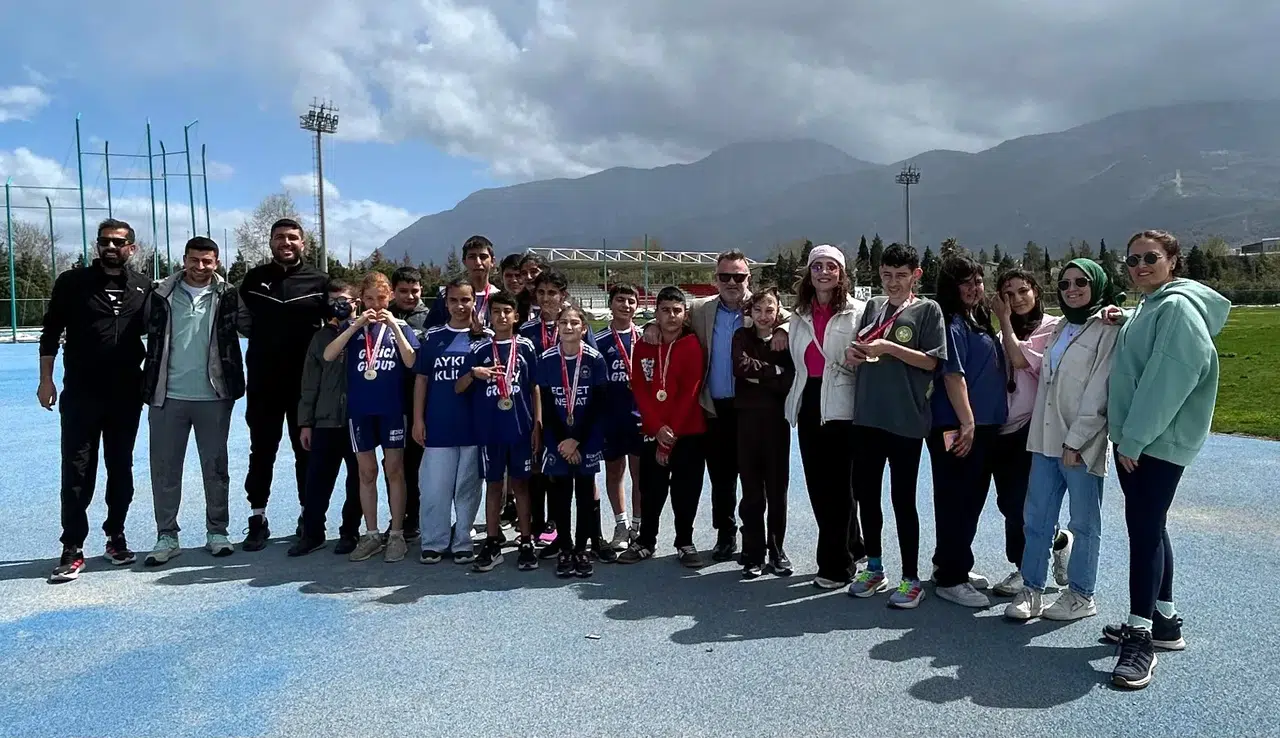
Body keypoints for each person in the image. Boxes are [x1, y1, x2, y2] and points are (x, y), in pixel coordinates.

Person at [1103, 230, 1229, 690]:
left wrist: (1133, 440)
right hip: (1143, 441)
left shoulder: (1176, 308)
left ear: (1172, 260)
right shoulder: (1154, 305)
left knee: (1143, 533)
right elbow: (1147, 345)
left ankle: (1140, 637)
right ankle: (1165, 621)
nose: (1139, 266)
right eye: (1132, 259)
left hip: (1152, 443)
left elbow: (1166, 380)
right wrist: (1124, 317)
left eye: (1150, 258)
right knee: (1152, 527)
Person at [1005, 258, 1121, 622]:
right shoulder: (1060, 328)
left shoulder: (1108, 329)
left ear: (1097, 285)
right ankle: (1032, 589)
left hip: (1081, 444)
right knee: (1036, 519)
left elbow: (1101, 390)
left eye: (1081, 282)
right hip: (1045, 439)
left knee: (1084, 523)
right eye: (1065, 284)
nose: (1072, 290)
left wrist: (1078, 440)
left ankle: (1082, 594)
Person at [41, 219, 150, 582]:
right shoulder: (72, 282)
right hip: (81, 393)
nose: (111, 247)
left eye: (118, 242)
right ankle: (72, 546)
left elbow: (159, 335)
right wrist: (46, 380)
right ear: (98, 245)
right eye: (105, 241)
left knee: (121, 468)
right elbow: (50, 332)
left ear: (131, 247)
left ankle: (115, 536)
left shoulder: (143, 287)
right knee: (77, 469)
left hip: (126, 394)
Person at [843, 244, 946, 608]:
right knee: (867, 496)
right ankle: (874, 568)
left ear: (916, 275)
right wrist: (855, 353)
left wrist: (888, 347)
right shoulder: (873, 306)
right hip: (868, 417)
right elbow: (862, 346)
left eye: (901, 276)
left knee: (903, 500)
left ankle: (910, 578)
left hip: (905, 420)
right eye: (887, 275)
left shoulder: (928, 310)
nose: (893, 282)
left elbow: (932, 362)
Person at [139, 236, 245, 566]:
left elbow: (258, 328)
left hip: (214, 396)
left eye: (207, 261)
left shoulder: (229, 295)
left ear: (217, 263)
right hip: (166, 395)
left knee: (216, 468)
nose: (200, 266)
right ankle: (167, 536)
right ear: (184, 259)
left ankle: (218, 532)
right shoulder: (160, 294)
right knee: (165, 470)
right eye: (194, 260)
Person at [236, 218, 329, 550]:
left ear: (303, 243)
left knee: (306, 452)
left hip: (305, 386)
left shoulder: (320, 281)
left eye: (292, 237)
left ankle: (309, 517)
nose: (285, 242)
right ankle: (257, 518)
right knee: (262, 451)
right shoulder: (253, 280)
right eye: (279, 237)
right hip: (264, 384)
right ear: (271, 242)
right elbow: (243, 323)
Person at [783, 245, 866, 590]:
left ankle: (836, 565)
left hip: (844, 403)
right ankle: (853, 545)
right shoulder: (797, 314)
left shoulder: (858, 312)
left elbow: (872, 351)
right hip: (809, 401)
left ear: (842, 273)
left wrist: (861, 357)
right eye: (817, 266)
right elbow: (762, 319)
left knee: (840, 486)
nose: (824, 272)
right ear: (809, 272)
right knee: (819, 484)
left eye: (832, 266)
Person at [927, 254, 1008, 608]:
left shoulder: (977, 320)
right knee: (957, 499)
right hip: (958, 426)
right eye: (966, 282)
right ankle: (951, 578)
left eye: (978, 281)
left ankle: (950, 561)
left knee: (970, 499)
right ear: (951, 287)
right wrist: (967, 422)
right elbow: (952, 375)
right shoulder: (950, 323)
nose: (975, 288)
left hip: (982, 425)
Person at [323, 272, 419, 562]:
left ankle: (397, 534)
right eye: (369, 299)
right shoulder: (352, 328)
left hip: (392, 410)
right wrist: (355, 326)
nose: (376, 305)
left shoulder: (401, 326)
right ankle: (372, 534)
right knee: (366, 473)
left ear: (389, 297)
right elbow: (328, 355)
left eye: (381, 298)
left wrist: (394, 327)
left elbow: (411, 361)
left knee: (395, 470)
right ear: (361, 300)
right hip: (360, 411)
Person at [619, 287, 708, 568]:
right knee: (650, 489)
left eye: (677, 311)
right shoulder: (644, 346)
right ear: (655, 313)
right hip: (652, 431)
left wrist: (669, 437)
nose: (671, 316)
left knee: (686, 490)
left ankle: (685, 541)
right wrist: (657, 428)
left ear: (685, 315)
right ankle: (646, 540)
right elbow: (640, 389)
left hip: (687, 431)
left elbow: (690, 393)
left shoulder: (692, 345)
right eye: (665, 310)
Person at [987, 269, 1061, 597]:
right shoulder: (1001, 333)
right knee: (1007, 502)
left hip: (1032, 426)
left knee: (1022, 504)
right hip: (1003, 428)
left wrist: (1003, 320)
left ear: (1036, 292)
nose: (1016, 299)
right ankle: (1058, 540)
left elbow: (1019, 359)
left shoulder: (1052, 328)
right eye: (1008, 293)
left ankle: (1024, 567)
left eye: (1022, 291)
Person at [457, 290, 541, 572]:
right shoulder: (479, 349)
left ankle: (526, 541)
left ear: (516, 316)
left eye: (507, 311)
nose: (502, 316)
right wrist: (474, 374)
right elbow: (458, 387)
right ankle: (492, 542)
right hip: (490, 430)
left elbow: (534, 387)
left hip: (520, 428)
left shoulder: (526, 346)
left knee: (521, 485)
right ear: (489, 316)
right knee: (494, 486)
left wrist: (537, 424)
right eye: (496, 312)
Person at [517, 270, 597, 548]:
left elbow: (592, 367)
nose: (546, 298)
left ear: (563, 295)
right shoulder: (527, 330)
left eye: (552, 293)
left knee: (580, 474)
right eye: (541, 292)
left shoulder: (576, 324)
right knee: (538, 467)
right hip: (538, 409)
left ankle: (590, 534)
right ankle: (541, 525)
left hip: (574, 412)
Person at [536, 304, 614, 577]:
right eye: (563, 323)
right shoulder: (546, 359)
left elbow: (598, 404)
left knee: (584, 492)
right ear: (557, 327)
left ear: (583, 328)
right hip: (557, 439)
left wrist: (577, 440)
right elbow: (547, 404)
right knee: (560, 494)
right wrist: (564, 441)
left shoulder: (594, 359)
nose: (568, 327)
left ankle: (582, 548)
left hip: (586, 437)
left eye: (574, 323)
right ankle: (565, 547)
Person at [289, 280, 365, 557]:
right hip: (325, 421)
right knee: (317, 481)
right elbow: (309, 383)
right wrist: (305, 423)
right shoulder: (321, 337)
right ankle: (312, 533)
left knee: (358, 481)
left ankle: (350, 531)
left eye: (343, 299)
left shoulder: (367, 334)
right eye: (332, 300)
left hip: (358, 421)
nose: (337, 305)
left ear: (356, 302)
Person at [414, 279, 485, 564]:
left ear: (474, 302)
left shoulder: (485, 338)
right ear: (445, 303)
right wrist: (418, 419)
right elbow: (422, 380)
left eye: (465, 300)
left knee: (468, 489)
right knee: (434, 488)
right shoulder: (433, 336)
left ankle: (463, 540)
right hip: (439, 425)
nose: (459, 306)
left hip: (473, 426)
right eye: (454, 300)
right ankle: (434, 541)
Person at [731, 287, 795, 579]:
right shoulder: (741, 337)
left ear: (778, 311)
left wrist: (763, 375)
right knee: (752, 492)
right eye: (757, 310)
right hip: (746, 423)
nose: (764, 316)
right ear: (750, 311)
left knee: (777, 491)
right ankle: (753, 553)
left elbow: (789, 379)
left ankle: (776, 550)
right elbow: (741, 367)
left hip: (776, 424)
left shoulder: (786, 341)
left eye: (770, 310)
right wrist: (774, 372)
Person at [595, 284, 643, 550]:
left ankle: (638, 525)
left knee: (640, 475)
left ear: (637, 306)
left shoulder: (646, 336)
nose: (626, 305)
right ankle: (621, 524)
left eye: (631, 301)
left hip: (640, 417)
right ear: (610, 303)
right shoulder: (598, 340)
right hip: (611, 417)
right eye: (620, 300)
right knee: (615, 472)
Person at [389, 267, 428, 541]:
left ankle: (415, 516)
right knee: (393, 464)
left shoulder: (430, 318)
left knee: (416, 463)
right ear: (393, 291)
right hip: (388, 400)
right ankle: (397, 517)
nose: (410, 296)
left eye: (414, 291)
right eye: (403, 291)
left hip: (418, 400)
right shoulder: (382, 316)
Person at [425, 235, 498, 330]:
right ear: (464, 261)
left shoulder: (498, 296)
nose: (478, 262)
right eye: (472, 257)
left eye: (483, 257)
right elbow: (432, 331)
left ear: (492, 261)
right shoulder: (447, 295)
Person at [518, 252, 547, 322]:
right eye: (524, 273)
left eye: (533, 272)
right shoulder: (517, 304)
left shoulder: (558, 305)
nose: (529, 277)